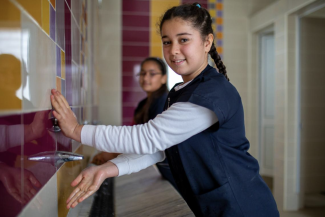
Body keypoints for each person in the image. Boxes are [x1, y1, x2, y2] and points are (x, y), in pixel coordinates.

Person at [50, 3, 279, 216]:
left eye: (184, 40)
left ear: (207, 42)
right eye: (167, 41)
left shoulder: (211, 93)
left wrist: (77, 130)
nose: (174, 50)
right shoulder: (183, 90)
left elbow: (149, 138)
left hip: (241, 206)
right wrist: (108, 169)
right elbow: (162, 148)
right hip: (216, 203)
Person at [91, 57, 177, 188]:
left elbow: (149, 142)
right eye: (143, 73)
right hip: (164, 170)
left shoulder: (163, 103)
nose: (146, 78)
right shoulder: (144, 103)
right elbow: (133, 136)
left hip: (174, 173)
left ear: (164, 78)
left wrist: (113, 154)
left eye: (152, 74)